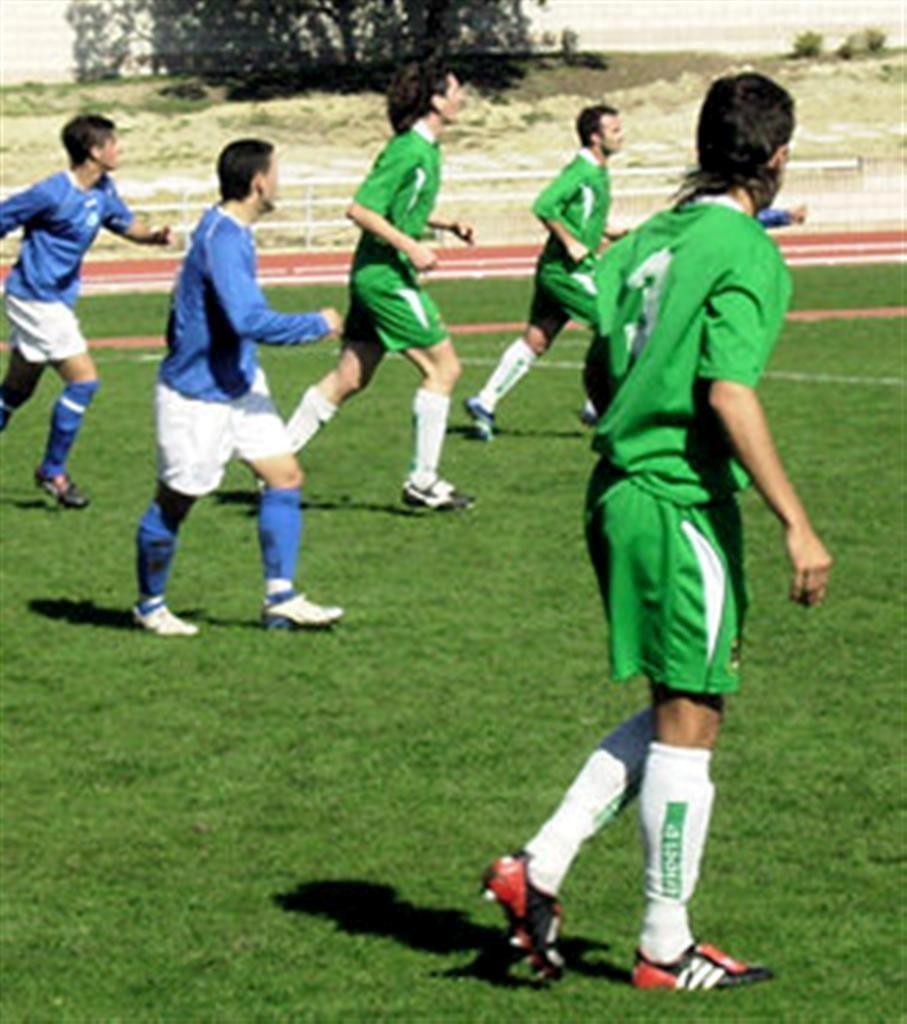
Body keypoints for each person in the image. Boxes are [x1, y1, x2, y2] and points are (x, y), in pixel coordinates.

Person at [482, 72, 833, 990]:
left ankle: (541, 869)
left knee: (681, 706)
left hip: (617, 494)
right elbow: (727, 390)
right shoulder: (745, 249)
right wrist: (796, 523)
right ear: (776, 156)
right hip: (678, 502)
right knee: (693, 722)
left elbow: (597, 371)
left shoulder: (645, 238)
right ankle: (662, 946)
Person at [132, 139, 344, 637]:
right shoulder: (224, 238)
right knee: (176, 501)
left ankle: (281, 598)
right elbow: (248, 318)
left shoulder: (231, 231)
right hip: (197, 395)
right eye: (278, 171)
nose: (281, 181)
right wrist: (316, 322)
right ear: (259, 182)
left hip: (240, 382)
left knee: (285, 476)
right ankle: (150, 604)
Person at [285, 60, 476, 510]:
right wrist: (411, 247)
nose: (462, 97)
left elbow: (394, 208)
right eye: (455, 90)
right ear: (435, 100)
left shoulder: (425, 150)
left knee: (350, 377)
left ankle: (274, 459)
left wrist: (445, 223)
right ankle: (423, 481)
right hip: (386, 279)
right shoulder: (409, 149)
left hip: (376, 274)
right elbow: (361, 209)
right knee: (444, 370)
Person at [0, 114, 171, 508]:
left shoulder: (103, 189)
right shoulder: (52, 192)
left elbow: (123, 223)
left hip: (52, 299)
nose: (119, 149)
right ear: (95, 151)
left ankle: (51, 468)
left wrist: (153, 237)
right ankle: (53, 470)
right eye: (114, 143)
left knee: (16, 391)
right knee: (84, 382)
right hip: (36, 298)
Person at [464, 104, 624, 441]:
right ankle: (598, 406)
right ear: (595, 137)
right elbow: (544, 205)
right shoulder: (582, 170)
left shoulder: (596, 171)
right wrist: (570, 243)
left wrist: (605, 231)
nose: (621, 136)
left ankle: (485, 400)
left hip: (558, 270)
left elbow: (579, 212)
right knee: (616, 322)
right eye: (614, 130)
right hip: (566, 271)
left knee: (536, 340)